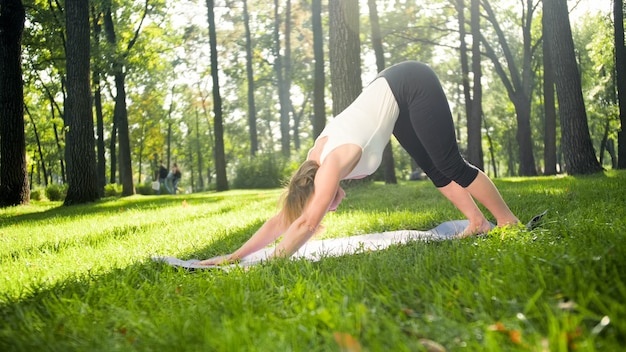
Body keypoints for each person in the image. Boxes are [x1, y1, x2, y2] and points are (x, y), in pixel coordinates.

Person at [198, 61, 519, 266]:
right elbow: (284, 220)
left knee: (450, 163)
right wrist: (234, 256)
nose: (329, 209)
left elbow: (306, 224)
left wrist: (272, 262)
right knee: (435, 169)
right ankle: (476, 222)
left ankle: (508, 221)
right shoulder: (312, 163)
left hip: (411, 81)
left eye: (323, 205)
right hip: (391, 94)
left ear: (318, 189)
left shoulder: (331, 164)